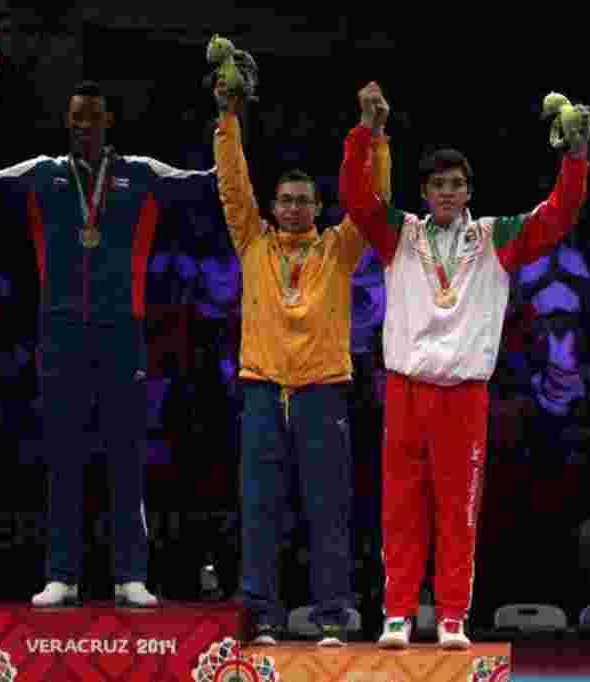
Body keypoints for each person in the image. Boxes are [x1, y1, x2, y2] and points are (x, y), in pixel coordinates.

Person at [0, 78, 217, 607]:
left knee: (126, 455)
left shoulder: (142, 173)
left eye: (92, 116)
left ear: (109, 121)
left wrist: (229, 115)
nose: (82, 124)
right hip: (59, 333)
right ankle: (61, 574)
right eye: (75, 116)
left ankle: (130, 574)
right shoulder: (42, 173)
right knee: (63, 457)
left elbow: (212, 183)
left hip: (123, 334)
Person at [340, 81, 590, 649]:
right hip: (405, 390)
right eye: (438, 185)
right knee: (401, 509)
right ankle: (398, 614)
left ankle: (452, 615)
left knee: (458, 511)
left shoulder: (495, 236)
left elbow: (559, 215)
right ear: (424, 191)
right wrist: (367, 131)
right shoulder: (400, 234)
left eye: (456, 185)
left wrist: (575, 157)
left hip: (464, 396)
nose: (447, 193)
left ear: (469, 190)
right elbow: (357, 199)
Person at [212, 80, 391, 646]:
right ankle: (261, 617)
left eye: (303, 201)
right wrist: (228, 120)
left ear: (318, 207)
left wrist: (375, 136)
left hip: (323, 392)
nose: (293, 208)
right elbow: (232, 186)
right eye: (285, 200)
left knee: (328, 511)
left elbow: (374, 204)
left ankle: (332, 616)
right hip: (262, 391)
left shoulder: (339, 247)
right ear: (272, 206)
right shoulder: (252, 241)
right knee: (260, 510)